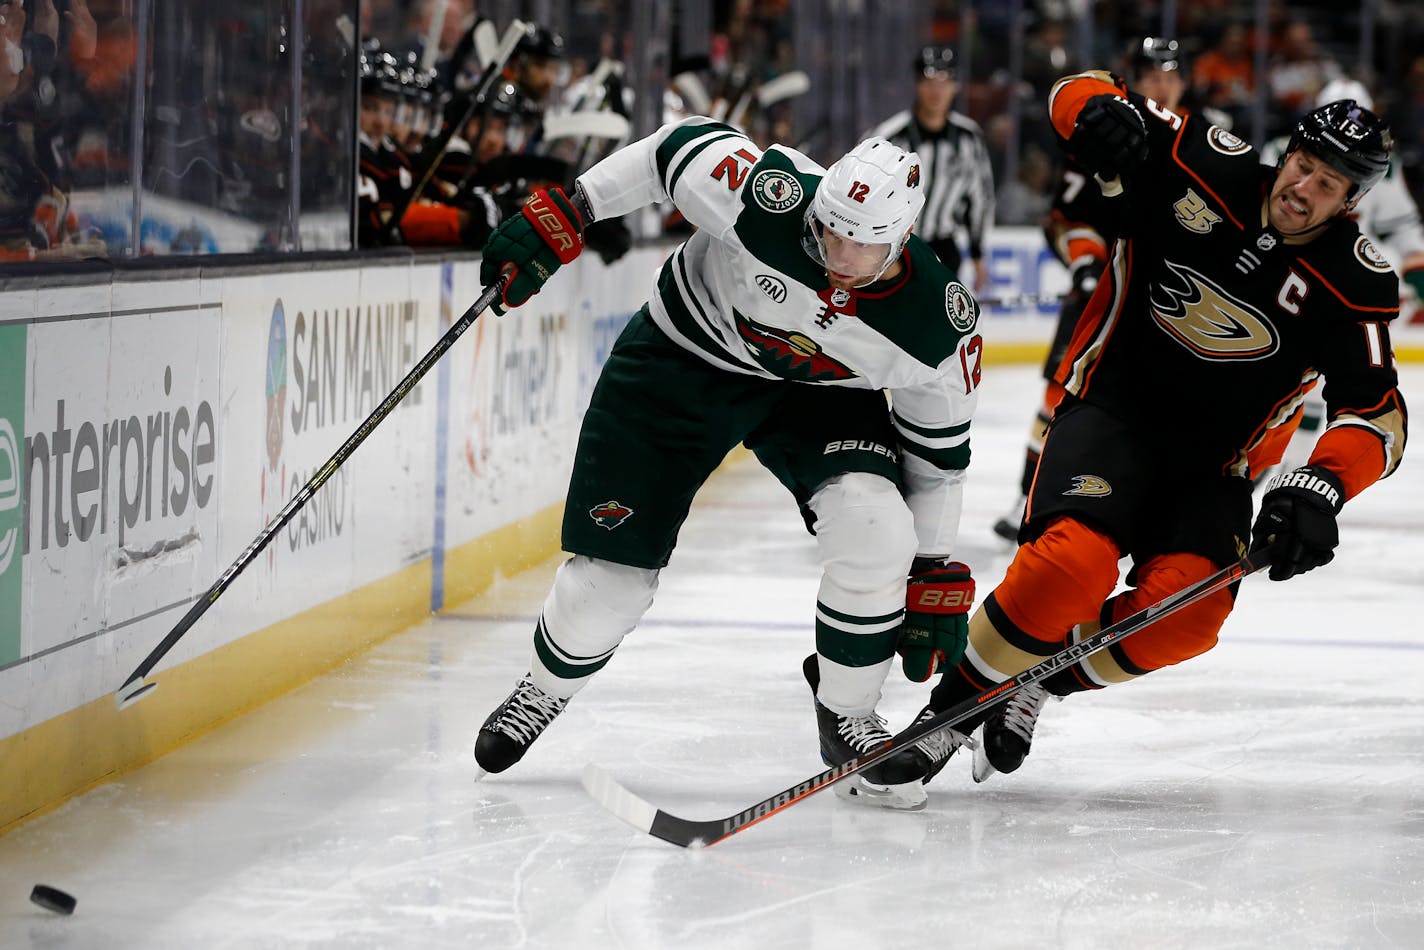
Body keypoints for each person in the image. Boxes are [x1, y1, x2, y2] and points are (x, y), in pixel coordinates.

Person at [471, 118, 985, 811]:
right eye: (828, 230)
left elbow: (938, 459)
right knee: (608, 588)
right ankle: (542, 689)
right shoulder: (770, 196)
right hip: (681, 359)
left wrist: (930, 567)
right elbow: (667, 152)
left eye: (860, 246)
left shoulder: (935, 327)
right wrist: (576, 206)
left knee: (878, 534)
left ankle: (848, 717)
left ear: (899, 242)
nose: (835, 252)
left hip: (817, 399)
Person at [915, 70, 1408, 788]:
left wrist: (1323, 484)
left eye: (1329, 185)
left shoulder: (1355, 282)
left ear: (1351, 202)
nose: (1304, 188)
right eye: (1305, 164)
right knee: (1068, 571)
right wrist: (1095, 115)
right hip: (1112, 411)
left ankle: (1033, 685)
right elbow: (1075, 91)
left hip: (1213, 470)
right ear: (1289, 148)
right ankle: (945, 719)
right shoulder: (1208, 160)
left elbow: (1378, 413)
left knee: (1188, 614)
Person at [993, 37, 1187, 541]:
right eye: (1152, 76)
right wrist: (1086, 262)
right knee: (1059, 396)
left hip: (1167, 302)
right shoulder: (1103, 131)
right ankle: (1028, 495)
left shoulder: (1198, 142)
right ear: (1134, 83)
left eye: (1171, 75)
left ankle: (1149, 508)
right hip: (1101, 294)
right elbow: (1068, 218)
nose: (1162, 85)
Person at [867, 45, 994, 292]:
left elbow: (980, 198)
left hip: (944, 247)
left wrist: (978, 255)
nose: (937, 91)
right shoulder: (890, 135)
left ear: (955, 86)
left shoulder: (969, 138)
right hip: (893, 246)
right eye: (928, 82)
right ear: (917, 84)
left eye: (944, 82)